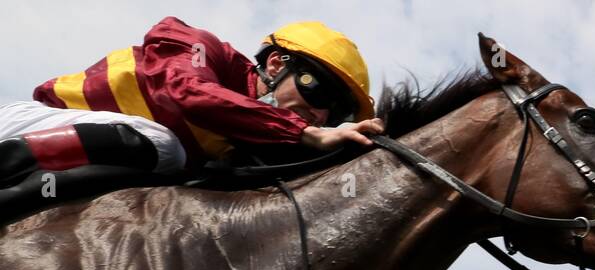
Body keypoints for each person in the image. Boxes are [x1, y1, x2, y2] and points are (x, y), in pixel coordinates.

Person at [0, 18, 381, 188]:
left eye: (335, 113)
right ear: (277, 63)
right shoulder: (198, 45)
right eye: (320, 92)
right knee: (165, 144)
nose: (322, 114)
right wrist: (308, 134)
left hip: (81, 175)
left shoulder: (252, 146)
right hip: (29, 123)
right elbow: (188, 93)